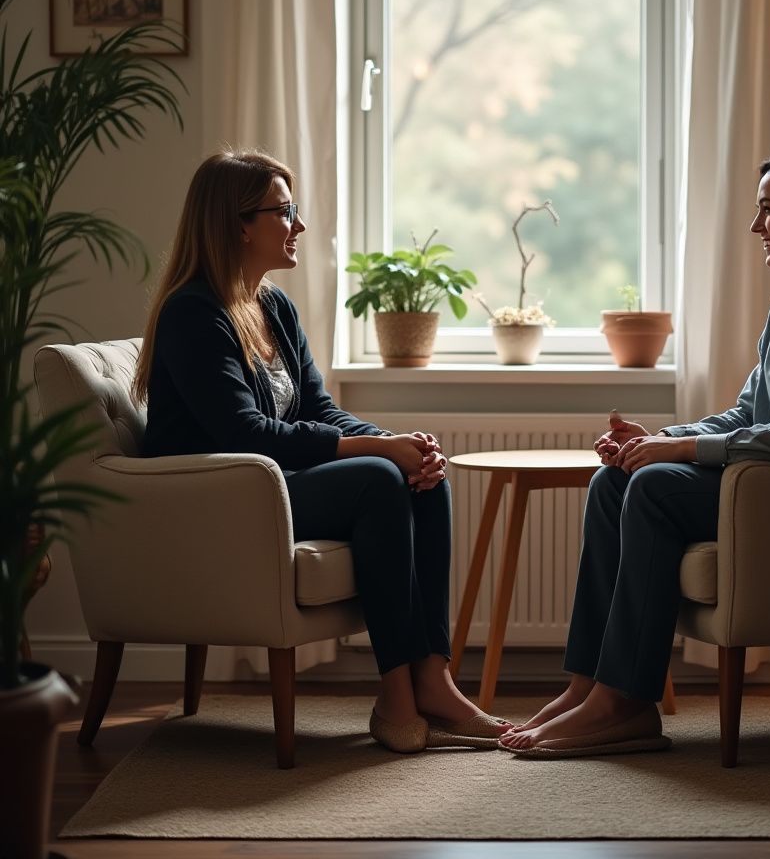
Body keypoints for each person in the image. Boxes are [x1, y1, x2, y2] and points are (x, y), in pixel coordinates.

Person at [500, 146, 770, 758]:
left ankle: (625, 704)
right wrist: (659, 441)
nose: (755, 225)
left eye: (767, 210)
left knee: (654, 487)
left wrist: (679, 452)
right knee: (615, 481)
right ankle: (590, 687)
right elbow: (748, 414)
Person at [132, 149, 509, 754]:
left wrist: (396, 444)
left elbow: (317, 407)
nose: (299, 225)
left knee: (421, 478)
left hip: (273, 485)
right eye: (285, 212)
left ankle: (432, 680)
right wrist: (378, 453)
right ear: (238, 225)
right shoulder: (192, 314)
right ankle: (396, 695)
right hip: (219, 498)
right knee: (378, 479)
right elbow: (245, 434)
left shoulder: (272, 306)